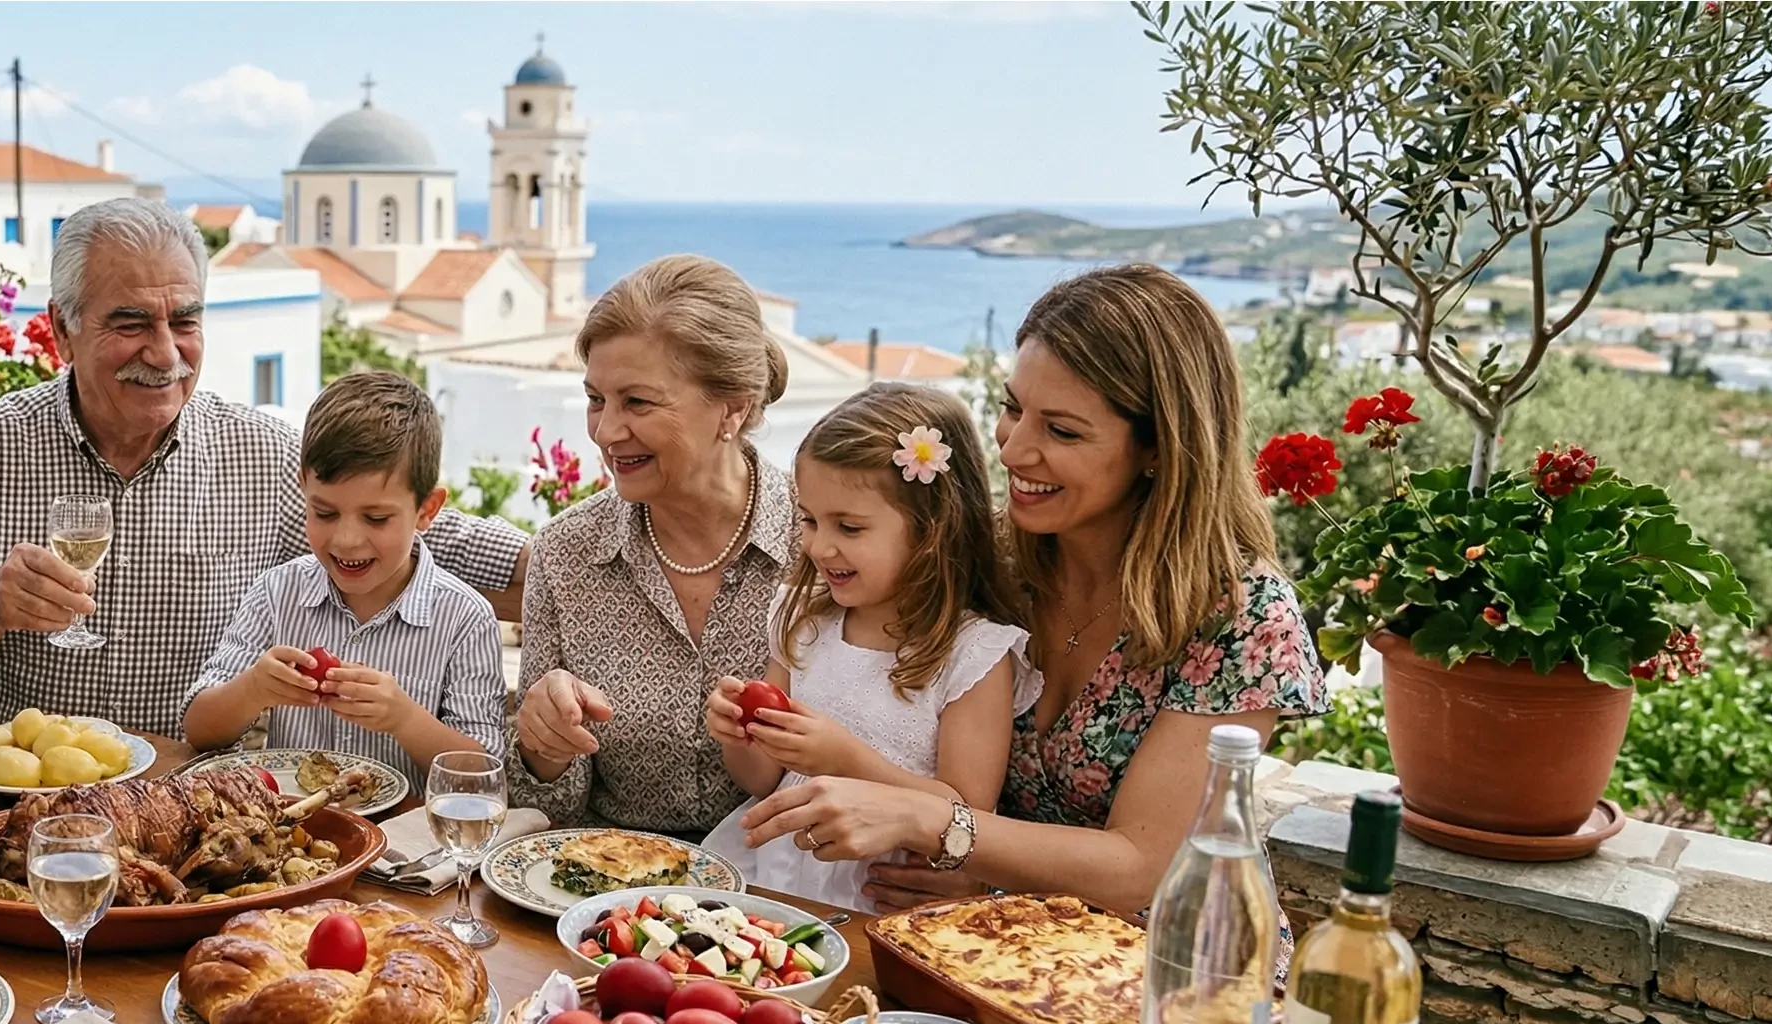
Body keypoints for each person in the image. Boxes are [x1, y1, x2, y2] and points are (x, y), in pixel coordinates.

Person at [738, 264, 1328, 915]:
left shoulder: (1244, 621)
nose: (1013, 450)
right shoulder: (987, 560)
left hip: (1169, 957)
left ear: (1159, 448)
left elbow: (1140, 867)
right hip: (982, 937)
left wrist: (945, 835)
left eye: (1061, 430)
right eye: (1012, 408)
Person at [0, 198, 528, 741]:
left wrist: (561, 561)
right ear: (62, 331)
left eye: (184, 321)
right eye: (131, 324)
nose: (165, 354)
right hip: (16, 804)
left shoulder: (263, 456)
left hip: (189, 815)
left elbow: (412, 525)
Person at [695, 384, 1032, 912]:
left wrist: (845, 759)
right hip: (776, 878)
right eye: (809, 520)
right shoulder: (805, 622)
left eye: (849, 527)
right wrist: (740, 735)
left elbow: (967, 813)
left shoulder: (972, 655)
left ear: (931, 531)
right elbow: (762, 780)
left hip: (877, 895)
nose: (819, 546)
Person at [505, 255, 803, 837]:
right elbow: (552, 804)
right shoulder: (566, 552)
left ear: (733, 407)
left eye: (637, 402)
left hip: (785, 880)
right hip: (613, 874)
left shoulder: (821, 548)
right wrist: (544, 747)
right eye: (596, 399)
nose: (605, 431)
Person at [181, 371, 508, 775]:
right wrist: (252, 689)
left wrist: (405, 719)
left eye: (376, 518)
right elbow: (199, 731)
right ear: (302, 488)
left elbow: (483, 771)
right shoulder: (277, 593)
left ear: (427, 510)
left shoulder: (464, 618)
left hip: (411, 817)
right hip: (293, 815)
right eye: (325, 513)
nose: (347, 540)